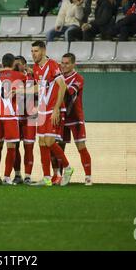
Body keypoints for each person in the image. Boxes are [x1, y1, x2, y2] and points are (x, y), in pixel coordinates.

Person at [31, 41, 74, 187]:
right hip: (43, 110)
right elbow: (39, 87)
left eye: (36, 51)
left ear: (43, 51)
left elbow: (62, 86)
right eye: (32, 51)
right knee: (42, 142)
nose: (33, 54)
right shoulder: (36, 68)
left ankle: (67, 168)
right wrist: (19, 91)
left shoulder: (53, 65)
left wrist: (56, 109)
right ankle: (47, 178)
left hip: (53, 109)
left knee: (49, 141)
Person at [0, 53, 27, 185]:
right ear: (13, 64)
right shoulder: (21, 76)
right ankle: (7, 177)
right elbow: (32, 87)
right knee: (11, 147)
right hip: (10, 115)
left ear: (2, 64)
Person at [59, 53, 92, 186]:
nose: (64, 66)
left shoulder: (78, 78)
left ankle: (88, 177)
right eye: (62, 63)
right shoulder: (59, 77)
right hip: (62, 117)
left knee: (81, 146)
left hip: (75, 117)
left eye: (67, 63)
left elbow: (68, 92)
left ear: (73, 64)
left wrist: (57, 83)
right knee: (59, 147)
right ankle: (60, 176)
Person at [13, 55, 36, 185]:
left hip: (29, 117)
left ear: (25, 65)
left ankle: (27, 176)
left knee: (29, 147)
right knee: (15, 146)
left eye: (19, 64)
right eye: (15, 64)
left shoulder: (32, 78)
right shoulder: (11, 78)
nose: (17, 66)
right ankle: (17, 174)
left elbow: (40, 93)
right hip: (16, 117)